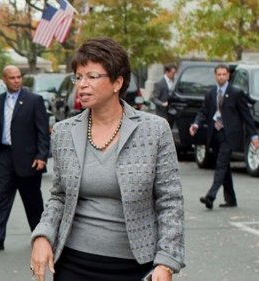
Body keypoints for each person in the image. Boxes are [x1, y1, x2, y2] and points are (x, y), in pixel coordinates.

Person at [30, 38, 185, 281]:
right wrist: (43, 235)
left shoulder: (154, 130)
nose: (82, 85)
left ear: (117, 82)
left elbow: (170, 201)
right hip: (73, 262)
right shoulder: (63, 132)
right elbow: (59, 196)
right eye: (78, 77)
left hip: (136, 264)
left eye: (92, 76)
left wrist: (166, 262)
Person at [0, 65, 50, 251]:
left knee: (33, 203)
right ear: (4, 80)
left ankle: (41, 237)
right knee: (0, 200)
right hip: (4, 157)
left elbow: (43, 132)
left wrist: (42, 156)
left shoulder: (34, 100)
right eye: (12, 78)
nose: (16, 80)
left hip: (28, 159)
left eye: (18, 77)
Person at [190, 64, 259, 209]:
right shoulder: (211, 93)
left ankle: (210, 196)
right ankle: (231, 199)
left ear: (228, 76)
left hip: (230, 135)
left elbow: (247, 116)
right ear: (215, 76)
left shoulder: (236, 93)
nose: (221, 77)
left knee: (221, 165)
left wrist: (254, 136)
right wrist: (196, 124)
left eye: (224, 74)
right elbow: (203, 111)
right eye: (219, 74)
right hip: (215, 134)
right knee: (224, 166)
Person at [151, 63, 178, 128]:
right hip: (162, 113)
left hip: (171, 112)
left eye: (175, 73)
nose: (174, 74)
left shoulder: (174, 81)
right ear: (167, 72)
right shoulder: (159, 83)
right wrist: (162, 104)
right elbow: (154, 98)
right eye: (172, 73)